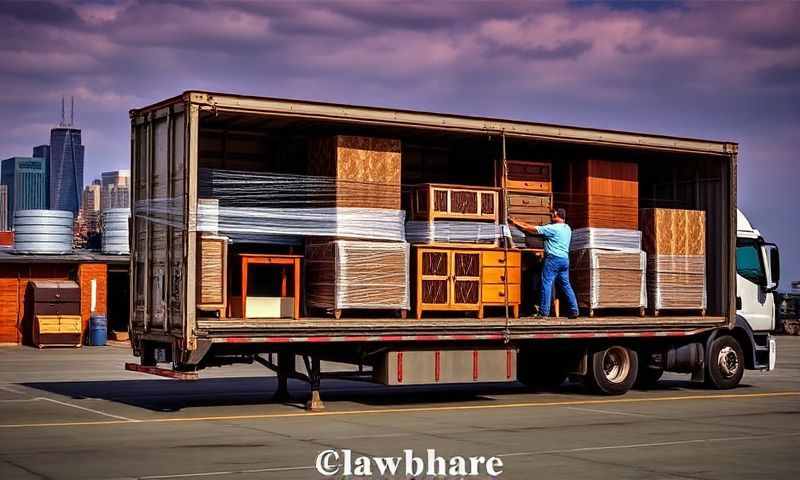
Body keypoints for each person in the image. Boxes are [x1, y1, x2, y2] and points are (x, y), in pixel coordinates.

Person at [510, 208, 579, 319]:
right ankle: (574, 310)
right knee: (566, 285)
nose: (551, 216)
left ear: (556, 215)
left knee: (546, 283)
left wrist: (514, 223)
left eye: (552, 214)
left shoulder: (552, 228)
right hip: (564, 260)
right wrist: (518, 223)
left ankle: (544, 312)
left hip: (553, 259)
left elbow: (529, 229)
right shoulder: (567, 228)